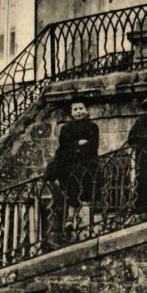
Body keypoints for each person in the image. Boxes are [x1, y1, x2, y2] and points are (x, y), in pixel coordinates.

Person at [45, 100, 100, 233]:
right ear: (71, 112)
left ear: (86, 110)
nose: (78, 112)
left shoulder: (92, 127)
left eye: (81, 108)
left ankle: (87, 218)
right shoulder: (66, 128)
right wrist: (77, 144)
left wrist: (74, 148)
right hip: (70, 163)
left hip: (87, 162)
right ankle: (70, 218)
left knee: (87, 185)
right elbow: (64, 147)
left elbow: (93, 146)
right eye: (75, 109)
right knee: (70, 182)